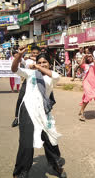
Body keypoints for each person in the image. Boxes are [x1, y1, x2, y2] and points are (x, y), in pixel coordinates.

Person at [11, 46, 66, 178]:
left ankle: (56, 165)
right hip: (28, 110)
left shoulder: (51, 76)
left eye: (44, 62)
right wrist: (18, 56)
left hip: (43, 111)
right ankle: (21, 172)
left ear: (49, 63)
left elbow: (56, 75)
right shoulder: (30, 73)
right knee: (26, 142)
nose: (42, 64)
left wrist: (37, 66)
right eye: (40, 62)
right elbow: (14, 69)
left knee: (50, 138)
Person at [11, 46, 41, 128]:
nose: (35, 55)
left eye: (36, 53)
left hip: (39, 81)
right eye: (33, 53)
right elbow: (19, 60)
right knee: (21, 98)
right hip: (28, 81)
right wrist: (20, 54)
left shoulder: (41, 61)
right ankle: (17, 117)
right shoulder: (27, 60)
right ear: (31, 52)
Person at [78, 54, 95, 121]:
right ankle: (81, 112)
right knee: (88, 96)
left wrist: (92, 58)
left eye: (90, 57)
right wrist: (84, 57)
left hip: (94, 83)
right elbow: (80, 64)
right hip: (86, 82)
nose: (89, 58)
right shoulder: (85, 65)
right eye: (88, 57)